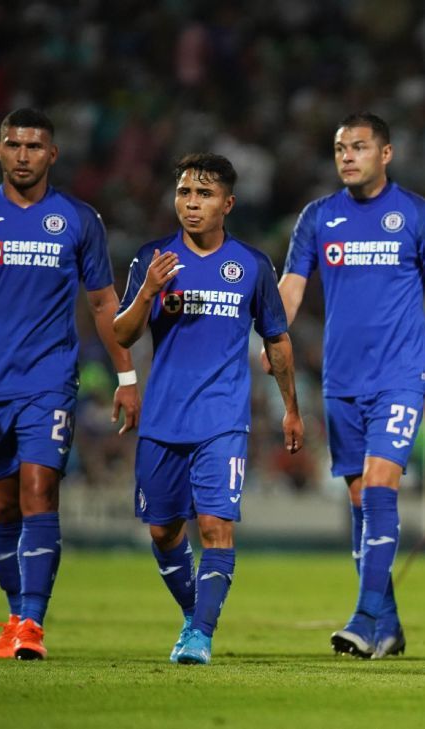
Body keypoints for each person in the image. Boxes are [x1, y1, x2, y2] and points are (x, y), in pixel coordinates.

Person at [0, 108, 141, 660]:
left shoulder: (78, 219)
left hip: (49, 382)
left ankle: (33, 625)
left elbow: (102, 303)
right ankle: (15, 615)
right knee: (2, 509)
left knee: (39, 493)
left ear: (53, 155)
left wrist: (125, 374)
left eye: (34, 147)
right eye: (14, 145)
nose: (23, 156)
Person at [113, 153, 303, 665]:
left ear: (228, 204)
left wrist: (291, 408)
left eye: (204, 195)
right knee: (163, 531)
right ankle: (194, 614)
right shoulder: (153, 258)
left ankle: (200, 635)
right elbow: (122, 332)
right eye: (184, 193)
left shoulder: (253, 265)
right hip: (162, 419)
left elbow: (278, 340)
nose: (191, 204)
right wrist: (149, 290)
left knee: (216, 526)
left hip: (223, 420)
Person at [271, 113, 425, 660]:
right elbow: (289, 291)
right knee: (362, 501)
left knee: (381, 483)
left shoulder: (415, 215)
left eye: (359, 147)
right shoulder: (319, 218)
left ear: (385, 153)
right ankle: (386, 624)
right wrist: (267, 335)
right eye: (340, 147)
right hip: (341, 381)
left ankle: (365, 618)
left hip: (401, 376)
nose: (347, 156)